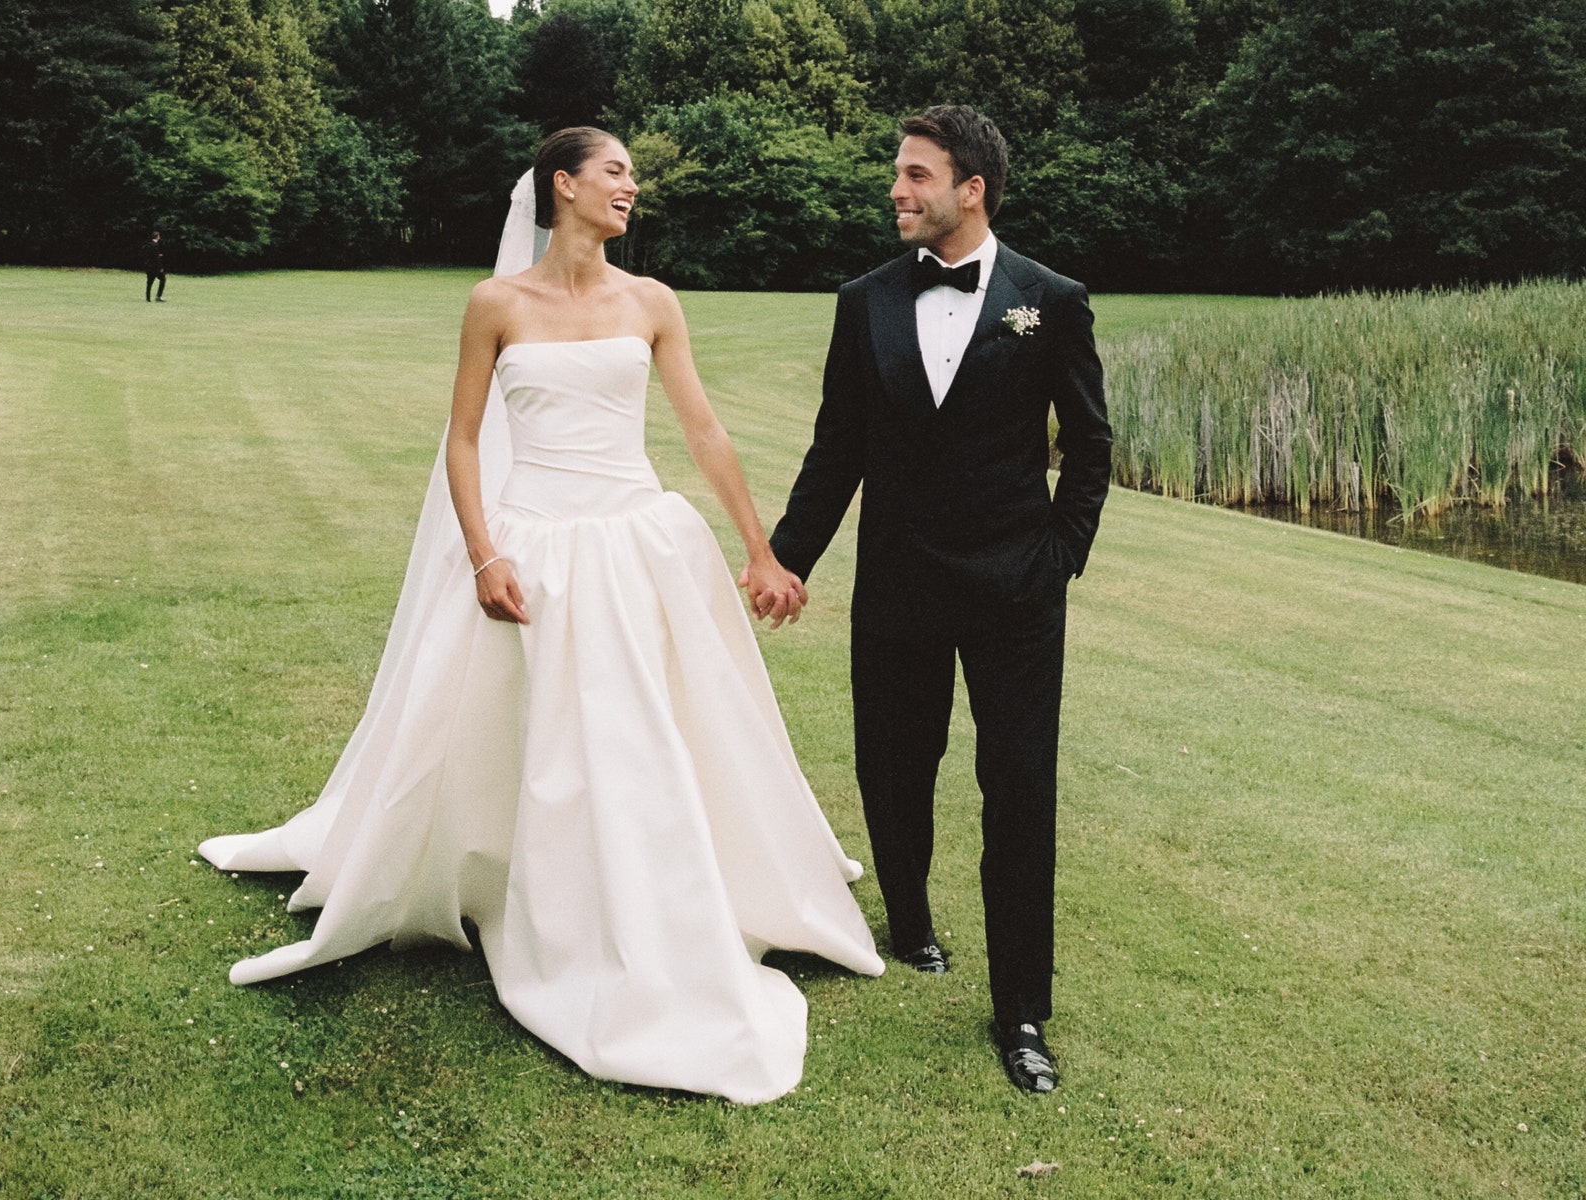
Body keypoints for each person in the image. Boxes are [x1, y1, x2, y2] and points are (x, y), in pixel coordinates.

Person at [198, 127, 883, 1106]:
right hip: (530, 549)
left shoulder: (651, 303)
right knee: (511, 737)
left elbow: (701, 427)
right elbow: (466, 441)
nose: (631, 188)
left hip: (636, 540)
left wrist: (761, 549)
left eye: (631, 178)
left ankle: (659, 895)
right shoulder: (494, 306)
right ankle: (504, 882)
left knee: (643, 732)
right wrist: (485, 554)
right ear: (562, 187)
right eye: (615, 172)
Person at [763, 105, 1111, 1093]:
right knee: (893, 767)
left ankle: (1021, 1014)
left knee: (1019, 792)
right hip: (899, 583)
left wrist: (1059, 557)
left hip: (1015, 593)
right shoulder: (862, 301)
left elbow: (1089, 448)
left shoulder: (1050, 299)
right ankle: (909, 922)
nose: (895, 190)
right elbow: (838, 450)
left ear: (972, 190)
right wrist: (788, 558)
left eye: (915, 174)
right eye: (897, 173)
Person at [144, 231, 165, 302]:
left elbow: (149, 255)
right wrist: (160, 267)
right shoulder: (156, 245)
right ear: (157, 236)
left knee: (149, 282)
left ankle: (148, 298)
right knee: (163, 279)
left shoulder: (148, 244)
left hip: (148, 266)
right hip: (155, 267)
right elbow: (156, 258)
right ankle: (158, 296)